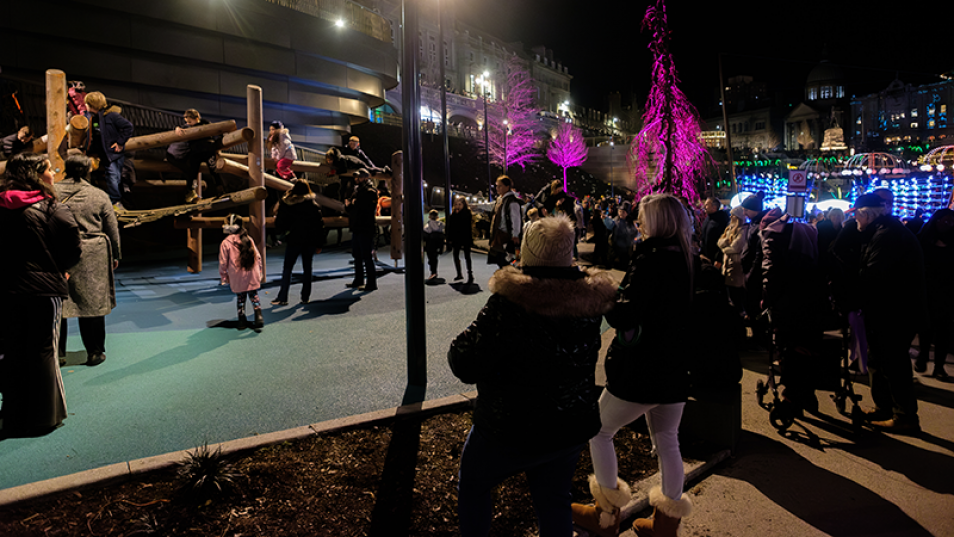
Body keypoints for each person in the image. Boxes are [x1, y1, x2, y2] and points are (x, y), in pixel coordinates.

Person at [449, 215, 617, 537]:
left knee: (472, 486)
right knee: (554, 500)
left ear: (527, 250)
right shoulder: (589, 302)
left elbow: (463, 361)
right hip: (570, 424)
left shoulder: (509, 303)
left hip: (509, 428)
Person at [572, 193, 695, 537]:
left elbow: (628, 313)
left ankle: (605, 515)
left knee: (599, 429)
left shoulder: (651, 260)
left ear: (656, 221)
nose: (638, 222)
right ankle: (666, 524)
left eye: (643, 217)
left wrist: (604, 293)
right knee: (668, 440)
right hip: (674, 367)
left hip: (642, 368)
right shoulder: (686, 258)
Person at [0, 153, 81, 437]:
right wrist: (61, 268)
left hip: (7, 291)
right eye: (48, 169)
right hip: (43, 290)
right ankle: (45, 416)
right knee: (44, 350)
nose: (53, 174)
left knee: (12, 351)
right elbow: (73, 248)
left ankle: (12, 415)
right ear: (36, 175)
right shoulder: (51, 208)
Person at [836, 194, 925, 432]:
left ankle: (905, 416)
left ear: (867, 214)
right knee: (878, 360)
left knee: (893, 362)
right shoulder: (881, 232)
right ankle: (885, 408)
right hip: (886, 308)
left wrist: (852, 296)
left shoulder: (888, 236)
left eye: (857, 214)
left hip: (895, 310)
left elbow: (874, 275)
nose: (855, 218)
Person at [55, 155, 122, 368]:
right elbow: (112, 229)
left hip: (60, 253)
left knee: (59, 305)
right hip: (92, 252)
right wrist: (116, 255)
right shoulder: (98, 195)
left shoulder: (53, 192)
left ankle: (58, 355)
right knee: (92, 303)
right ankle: (94, 352)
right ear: (87, 171)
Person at [914, 208, 953, 379]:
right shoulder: (924, 240)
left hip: (947, 292)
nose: (947, 224)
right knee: (926, 328)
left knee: (943, 331)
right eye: (943, 221)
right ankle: (923, 356)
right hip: (928, 290)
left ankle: (939, 366)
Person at [271, 181, 324, 306]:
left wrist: (281, 232)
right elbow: (319, 226)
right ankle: (305, 297)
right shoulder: (313, 205)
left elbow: (280, 222)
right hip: (309, 240)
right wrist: (320, 244)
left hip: (294, 239)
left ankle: (283, 296)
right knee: (307, 269)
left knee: (287, 268)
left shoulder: (287, 203)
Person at [83, 92, 134, 208]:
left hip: (113, 153)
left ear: (92, 104)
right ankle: (113, 200)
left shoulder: (111, 116)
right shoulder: (92, 117)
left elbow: (128, 127)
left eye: (87, 103)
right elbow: (95, 133)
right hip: (100, 152)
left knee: (113, 177)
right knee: (111, 177)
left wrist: (120, 143)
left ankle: (115, 201)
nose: (85, 105)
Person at [168, 109, 224, 202]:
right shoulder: (188, 127)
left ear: (197, 118)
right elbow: (181, 128)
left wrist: (218, 145)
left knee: (213, 169)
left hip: (207, 150)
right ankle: (190, 192)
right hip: (196, 152)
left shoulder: (206, 124)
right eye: (187, 122)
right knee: (192, 172)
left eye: (190, 121)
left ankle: (220, 189)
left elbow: (218, 131)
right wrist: (177, 128)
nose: (188, 123)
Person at [219, 214, 264, 329]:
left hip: (237, 275)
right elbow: (258, 257)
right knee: (254, 295)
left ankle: (241, 319)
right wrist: (259, 271)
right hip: (251, 272)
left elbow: (223, 262)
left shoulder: (226, 243)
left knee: (241, 297)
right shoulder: (249, 239)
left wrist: (224, 277)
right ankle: (258, 315)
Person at [476, 176, 522, 268]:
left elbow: (516, 219)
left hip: (505, 237)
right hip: (499, 236)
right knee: (502, 261)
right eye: (496, 186)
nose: (497, 188)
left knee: (506, 261)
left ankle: (508, 279)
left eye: (500, 186)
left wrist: (515, 235)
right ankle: (506, 277)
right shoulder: (501, 199)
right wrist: (475, 206)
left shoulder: (512, 201)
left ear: (507, 186)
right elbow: (490, 206)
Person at [344, 168, 379, 292]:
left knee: (366, 256)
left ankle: (371, 282)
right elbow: (350, 207)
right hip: (357, 227)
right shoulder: (357, 190)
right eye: (356, 177)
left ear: (365, 177)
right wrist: (351, 204)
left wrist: (353, 204)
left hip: (365, 227)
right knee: (357, 256)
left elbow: (364, 208)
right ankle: (358, 280)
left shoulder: (370, 191)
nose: (356, 179)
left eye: (359, 177)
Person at [717, 205, 747, 316]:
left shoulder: (742, 230)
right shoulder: (729, 228)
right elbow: (720, 242)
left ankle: (740, 314)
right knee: (730, 290)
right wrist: (726, 247)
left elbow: (735, 248)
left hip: (735, 266)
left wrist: (725, 248)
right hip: (728, 264)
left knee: (736, 292)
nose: (730, 216)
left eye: (732, 215)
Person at [447, 196, 475, 284]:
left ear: (464, 205)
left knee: (467, 256)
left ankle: (470, 274)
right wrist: (449, 238)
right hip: (456, 237)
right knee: (455, 255)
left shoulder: (467, 214)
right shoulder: (453, 215)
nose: (457, 206)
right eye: (456, 204)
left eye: (459, 204)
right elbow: (450, 227)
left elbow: (467, 226)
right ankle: (459, 273)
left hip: (465, 237)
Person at [699, 196, 729, 267]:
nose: (704, 207)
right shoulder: (707, 219)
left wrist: (719, 259)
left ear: (714, 207)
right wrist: (702, 253)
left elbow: (724, 239)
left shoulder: (722, 220)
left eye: (706, 205)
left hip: (716, 260)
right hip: (706, 258)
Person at [610, 201, 638, 269]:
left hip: (625, 246)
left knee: (624, 262)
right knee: (615, 262)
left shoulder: (629, 221)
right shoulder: (616, 219)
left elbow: (634, 232)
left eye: (623, 212)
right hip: (616, 244)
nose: (621, 213)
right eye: (620, 211)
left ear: (627, 213)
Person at [424, 209, 445, 281]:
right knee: (435, 257)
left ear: (429, 217)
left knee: (430, 257)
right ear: (437, 217)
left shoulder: (429, 224)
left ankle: (433, 272)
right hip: (438, 243)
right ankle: (434, 271)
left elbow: (428, 231)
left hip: (431, 243)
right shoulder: (441, 224)